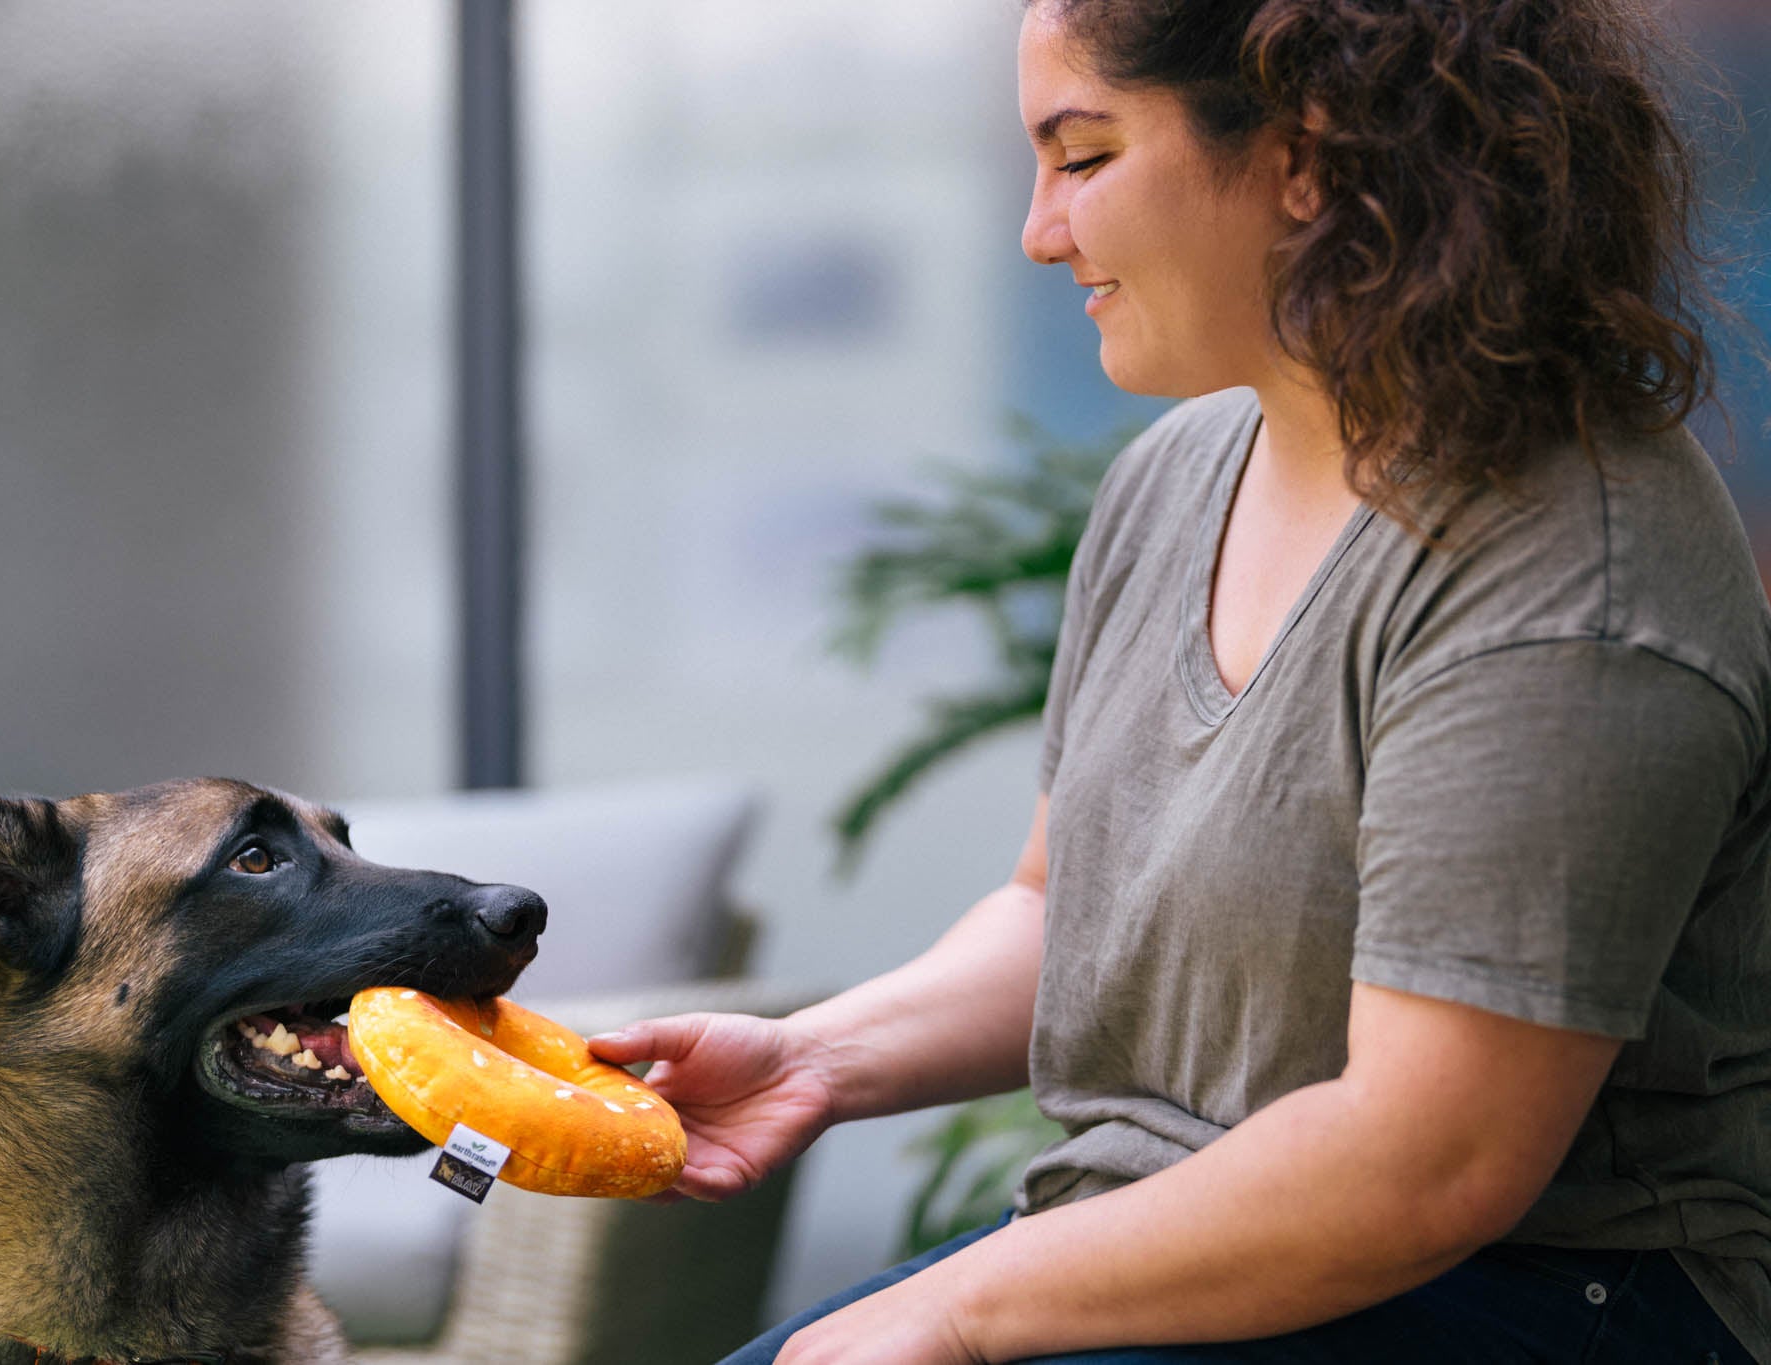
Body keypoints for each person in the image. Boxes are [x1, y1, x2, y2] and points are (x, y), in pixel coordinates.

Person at [587, 1, 1771, 1360]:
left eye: (1085, 158)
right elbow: (1059, 907)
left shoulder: (1569, 560)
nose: (1039, 232)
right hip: (1173, 1234)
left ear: (1307, 154)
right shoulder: (1175, 477)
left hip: (1539, 1297)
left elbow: (1433, 1159)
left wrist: (952, 1308)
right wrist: (821, 1057)